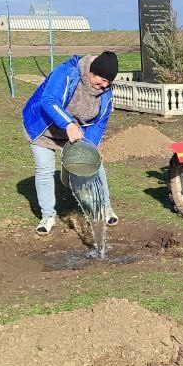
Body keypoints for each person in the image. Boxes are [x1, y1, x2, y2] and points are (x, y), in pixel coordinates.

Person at [22, 51, 120, 235]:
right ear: (92, 71)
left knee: (95, 164)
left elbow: (99, 123)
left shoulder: (106, 93)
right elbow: (49, 100)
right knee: (44, 169)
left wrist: (87, 149)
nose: (104, 85)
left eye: (109, 82)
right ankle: (48, 216)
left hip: (75, 132)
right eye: (101, 79)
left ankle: (104, 208)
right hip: (44, 127)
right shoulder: (67, 72)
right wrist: (68, 124)